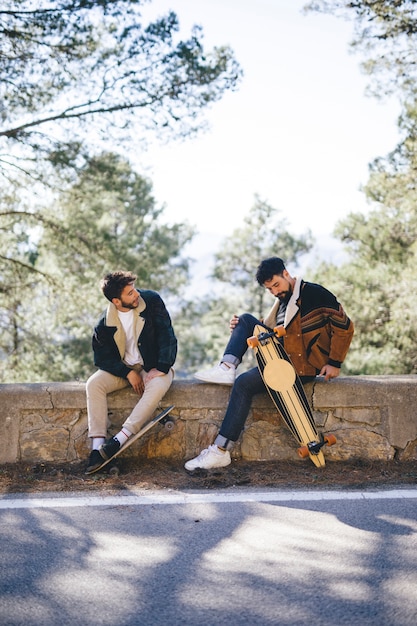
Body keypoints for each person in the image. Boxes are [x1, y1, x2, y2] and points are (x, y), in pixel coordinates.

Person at [185, 256, 354, 471]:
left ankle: (219, 451)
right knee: (244, 322)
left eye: (276, 285)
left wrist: (334, 362)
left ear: (286, 273)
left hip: (301, 366)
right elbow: (268, 332)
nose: (274, 291)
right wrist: (241, 329)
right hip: (280, 360)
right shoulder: (282, 302)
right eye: (270, 289)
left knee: (244, 383)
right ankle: (226, 368)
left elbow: (345, 327)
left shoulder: (314, 293)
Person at [85, 270, 177, 473]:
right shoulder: (104, 324)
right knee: (94, 384)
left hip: (152, 366)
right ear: (116, 301)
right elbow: (101, 358)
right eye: (129, 293)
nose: (136, 295)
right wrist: (126, 372)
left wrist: (162, 367)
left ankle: (119, 439)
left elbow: (167, 335)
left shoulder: (151, 301)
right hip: (124, 370)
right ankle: (97, 448)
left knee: (158, 385)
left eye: (134, 289)